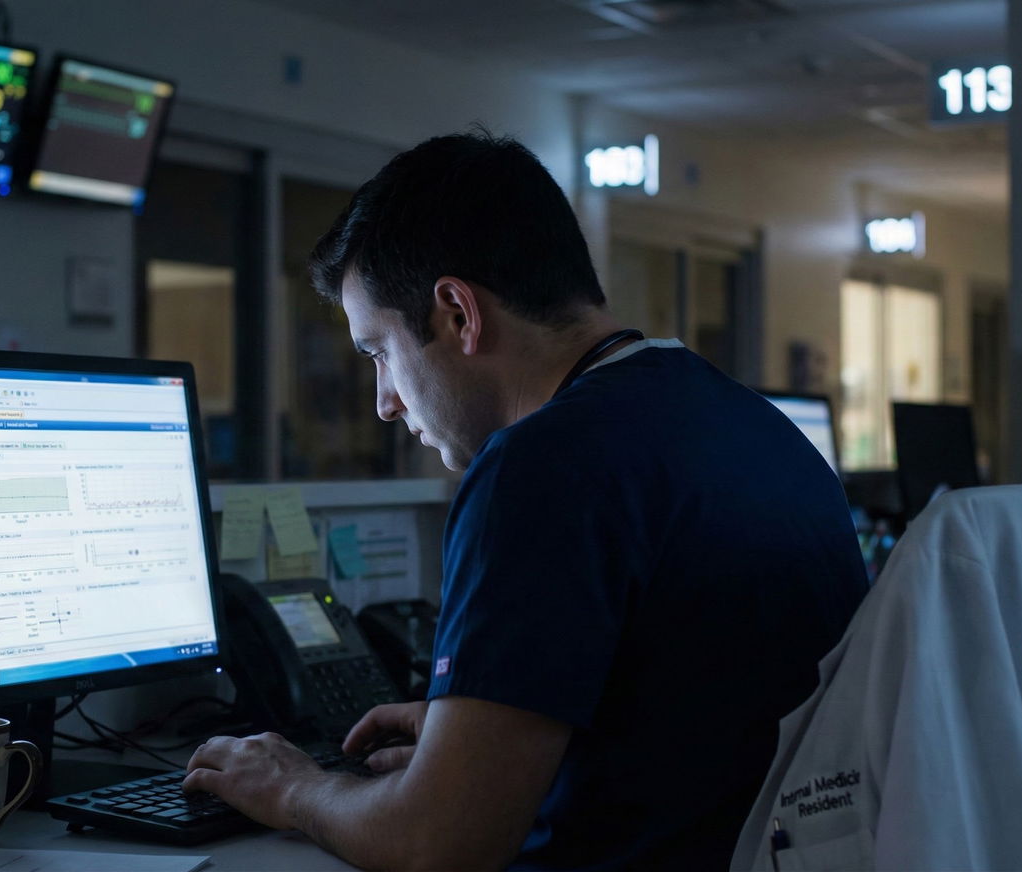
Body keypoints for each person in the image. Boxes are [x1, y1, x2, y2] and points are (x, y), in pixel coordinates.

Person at [182, 131, 869, 870]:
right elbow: (698, 710)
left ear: (457, 314)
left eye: (380, 353)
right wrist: (480, 732)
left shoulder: (539, 466)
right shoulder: (751, 425)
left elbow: (437, 842)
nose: (383, 403)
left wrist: (295, 789)